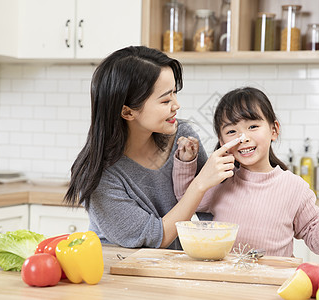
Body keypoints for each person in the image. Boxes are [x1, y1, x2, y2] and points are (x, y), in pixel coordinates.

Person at [64, 46, 233, 250]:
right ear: (127, 112)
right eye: (165, 100)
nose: (176, 105)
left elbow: (211, 207)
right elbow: (154, 238)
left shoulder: (182, 137)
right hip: (118, 270)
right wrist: (200, 184)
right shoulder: (98, 176)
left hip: (170, 267)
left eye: (175, 94)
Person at [173, 87, 319, 257]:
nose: (243, 138)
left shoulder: (295, 188)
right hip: (227, 282)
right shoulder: (222, 182)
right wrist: (186, 161)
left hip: (273, 283)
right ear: (221, 140)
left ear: (274, 130)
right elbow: (186, 199)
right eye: (232, 131)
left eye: (253, 126)